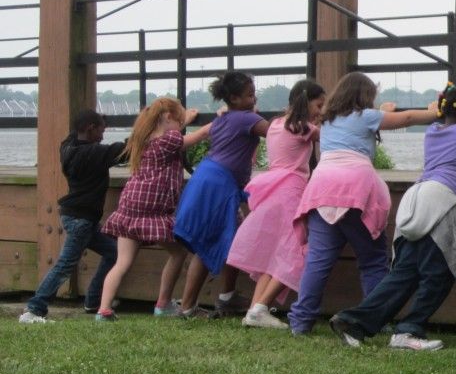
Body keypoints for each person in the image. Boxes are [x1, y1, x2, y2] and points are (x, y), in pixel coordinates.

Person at [329, 83, 456, 350]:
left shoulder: (433, 131)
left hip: (415, 201)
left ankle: (354, 321)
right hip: (442, 204)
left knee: (403, 274)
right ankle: (408, 329)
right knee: (440, 272)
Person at [287, 72, 437, 335]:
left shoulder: (328, 121)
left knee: (318, 261)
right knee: (373, 259)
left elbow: (359, 125)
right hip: (355, 190)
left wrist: (380, 111)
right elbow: (408, 118)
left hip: (321, 189)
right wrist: (434, 112)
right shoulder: (366, 117)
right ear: (364, 97)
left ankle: (300, 321)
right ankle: (372, 319)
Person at [95, 98, 211, 321]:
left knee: (122, 263)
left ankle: (104, 309)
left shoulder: (144, 138)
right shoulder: (169, 140)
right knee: (178, 252)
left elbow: (174, 131)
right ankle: (163, 304)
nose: (180, 126)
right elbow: (201, 135)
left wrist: (184, 119)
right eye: (178, 121)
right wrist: (224, 118)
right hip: (153, 210)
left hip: (130, 206)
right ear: (168, 118)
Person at [226, 79, 326, 329]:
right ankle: (260, 307)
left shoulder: (275, 124)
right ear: (306, 101)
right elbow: (331, 135)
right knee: (295, 250)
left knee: (274, 254)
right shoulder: (302, 127)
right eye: (319, 105)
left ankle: (254, 310)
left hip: (272, 189)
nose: (320, 111)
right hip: (291, 191)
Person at [173, 72, 269, 318]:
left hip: (211, 180)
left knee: (235, 238)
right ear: (234, 98)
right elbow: (276, 132)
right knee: (207, 244)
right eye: (249, 94)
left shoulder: (225, 119)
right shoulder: (246, 118)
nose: (254, 97)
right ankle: (187, 307)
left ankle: (227, 296)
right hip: (218, 185)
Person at [18, 110, 125, 323]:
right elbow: (128, 150)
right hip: (82, 220)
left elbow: (77, 131)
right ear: (90, 128)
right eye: (101, 131)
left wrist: (98, 118)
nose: (103, 136)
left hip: (77, 217)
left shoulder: (67, 147)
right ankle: (34, 309)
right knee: (65, 265)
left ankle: (94, 301)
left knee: (114, 252)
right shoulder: (94, 154)